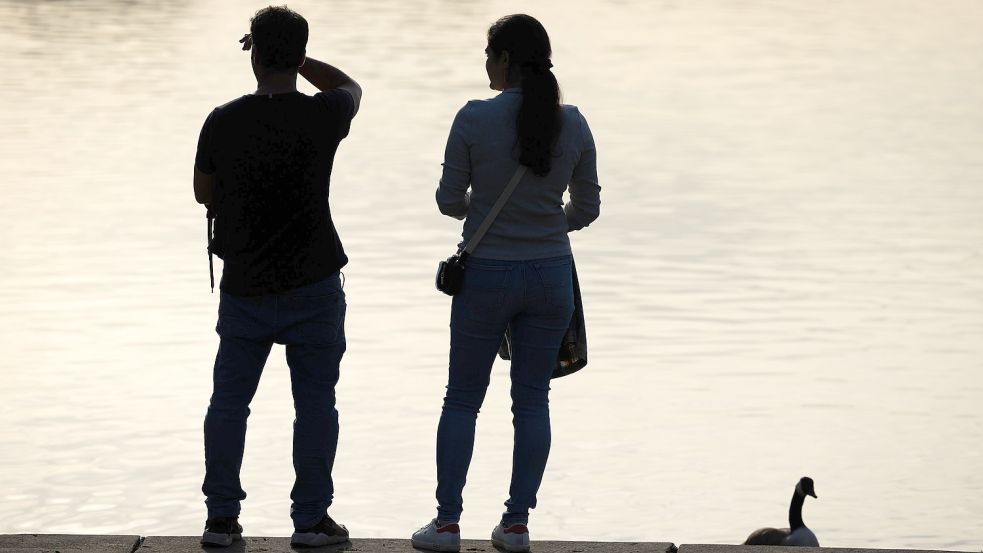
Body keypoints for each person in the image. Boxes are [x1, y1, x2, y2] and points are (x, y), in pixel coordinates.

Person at [412, 13, 600, 553]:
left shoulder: (473, 118)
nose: (485, 63)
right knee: (533, 402)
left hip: (487, 274)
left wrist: (492, 211)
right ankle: (516, 525)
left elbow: (450, 202)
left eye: (488, 53)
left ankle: (447, 524)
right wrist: (542, 220)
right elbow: (586, 208)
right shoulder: (575, 122)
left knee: (462, 398)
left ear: (504, 60)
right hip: (550, 276)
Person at [192, 5, 362, 548]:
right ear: (297, 54)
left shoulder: (223, 119)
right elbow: (352, 86)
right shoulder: (324, 114)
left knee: (228, 403)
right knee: (315, 404)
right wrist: (298, 57)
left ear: (255, 55)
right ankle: (310, 522)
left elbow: (202, 192)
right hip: (313, 284)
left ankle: (221, 520)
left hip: (244, 285)